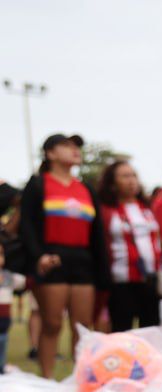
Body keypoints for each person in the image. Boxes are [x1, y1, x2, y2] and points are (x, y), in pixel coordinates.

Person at [18, 133, 109, 376]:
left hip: (82, 262)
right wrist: (39, 256)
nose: (74, 150)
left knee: (82, 327)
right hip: (52, 260)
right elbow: (27, 225)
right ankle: (47, 379)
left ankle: (79, 379)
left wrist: (102, 268)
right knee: (52, 323)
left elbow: (97, 233)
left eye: (77, 146)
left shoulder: (85, 189)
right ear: (50, 153)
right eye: (66, 146)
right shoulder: (39, 184)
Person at [97, 161, 162, 332]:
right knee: (121, 330)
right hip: (121, 281)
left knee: (151, 330)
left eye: (134, 175)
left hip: (151, 279)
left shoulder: (148, 208)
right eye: (125, 176)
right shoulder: (105, 211)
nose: (131, 181)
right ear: (112, 183)